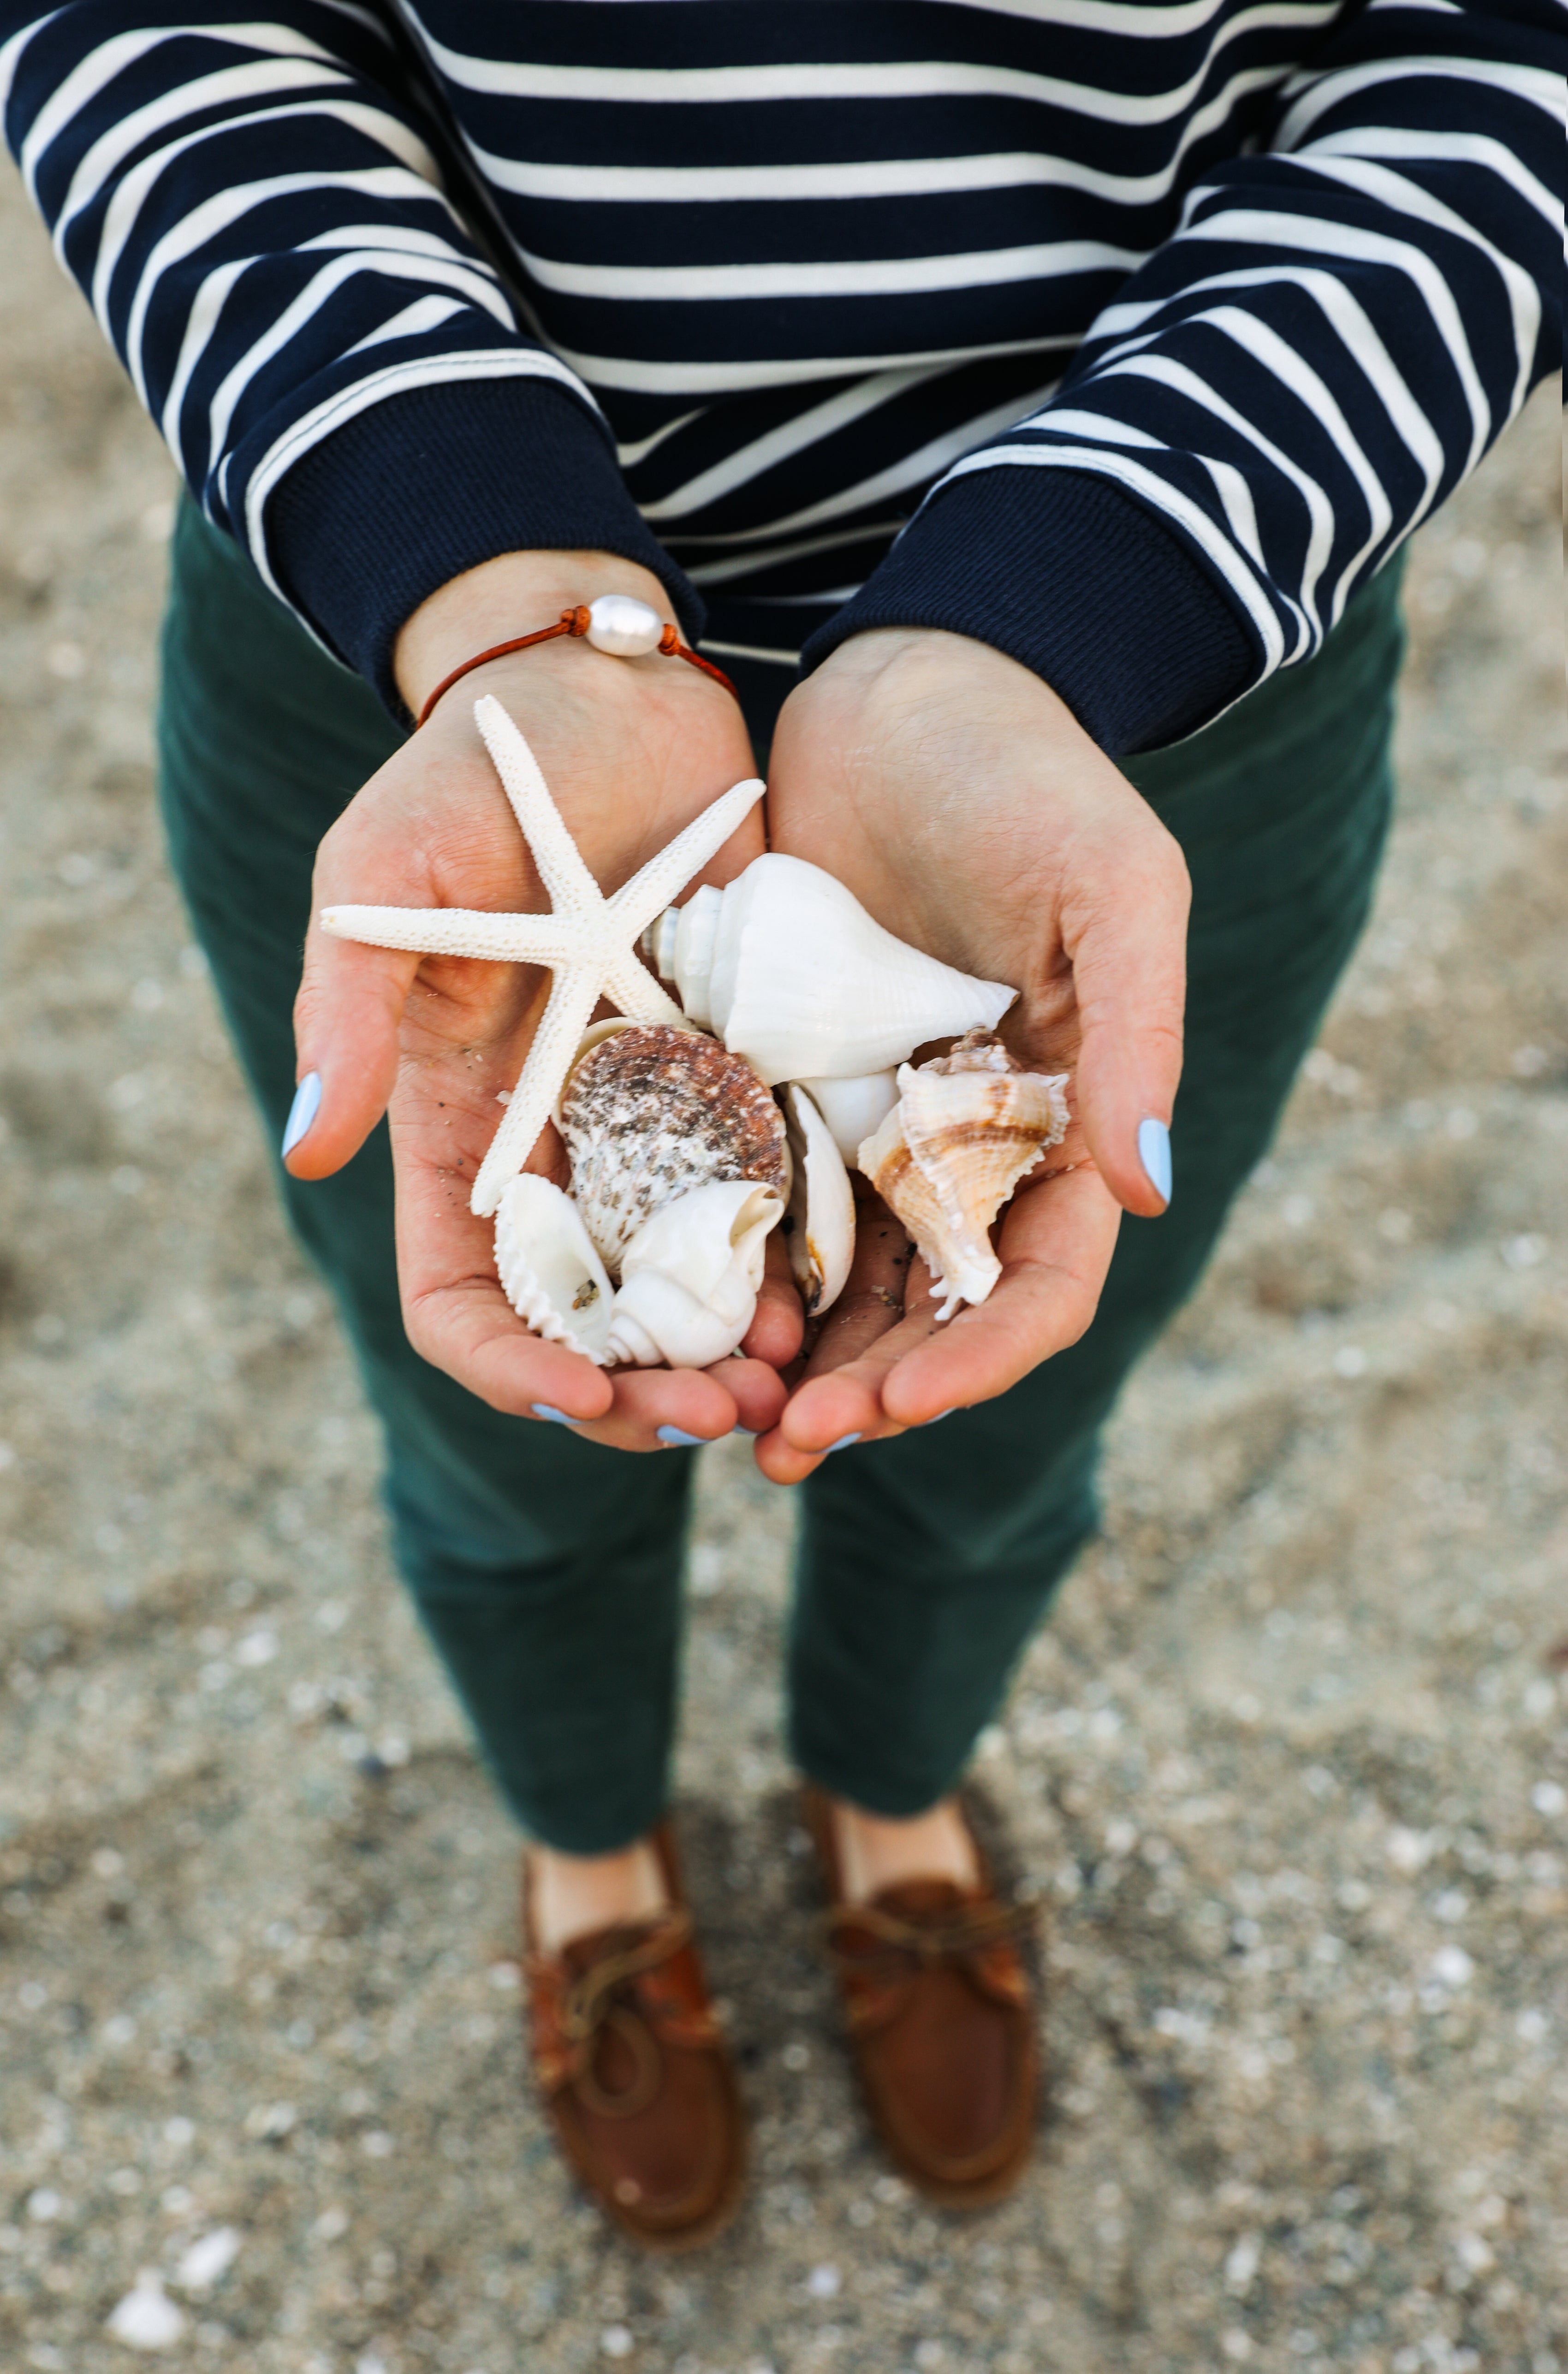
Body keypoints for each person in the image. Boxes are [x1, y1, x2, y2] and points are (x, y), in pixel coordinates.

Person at [4, 0, 1558, 2250]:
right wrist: (489, 594)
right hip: (413, 654)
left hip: (1149, 686)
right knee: (497, 1417)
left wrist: (1053, 611)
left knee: (1006, 1391)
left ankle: (893, 1798)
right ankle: (588, 1838)